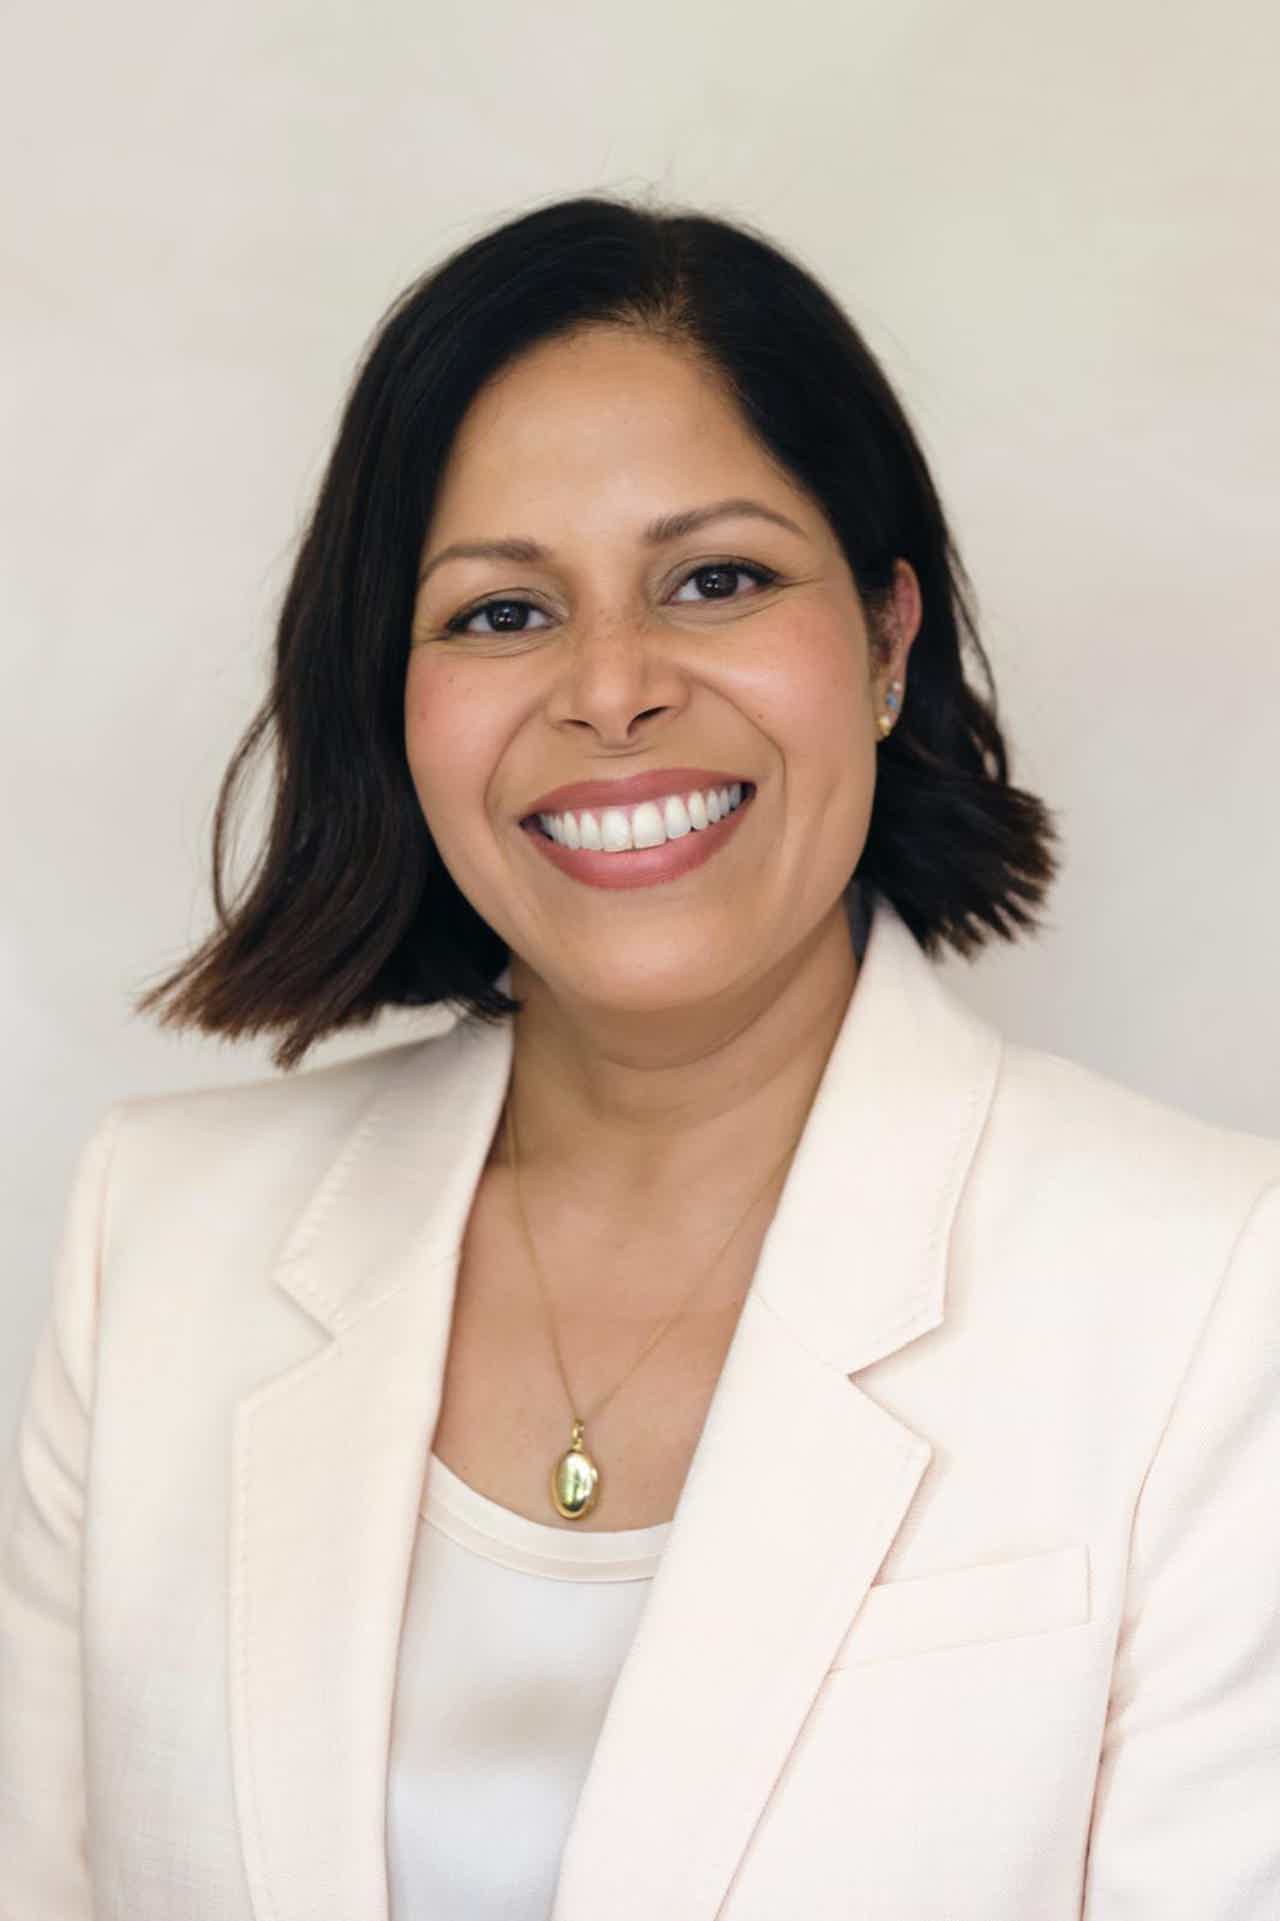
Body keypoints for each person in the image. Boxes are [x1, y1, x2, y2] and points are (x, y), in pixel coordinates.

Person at [1, 193, 1276, 1921]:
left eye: (718, 579)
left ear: (890, 643)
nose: (612, 688)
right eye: (501, 614)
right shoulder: (153, 1242)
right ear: (392, 697)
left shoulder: (1210, 1295)